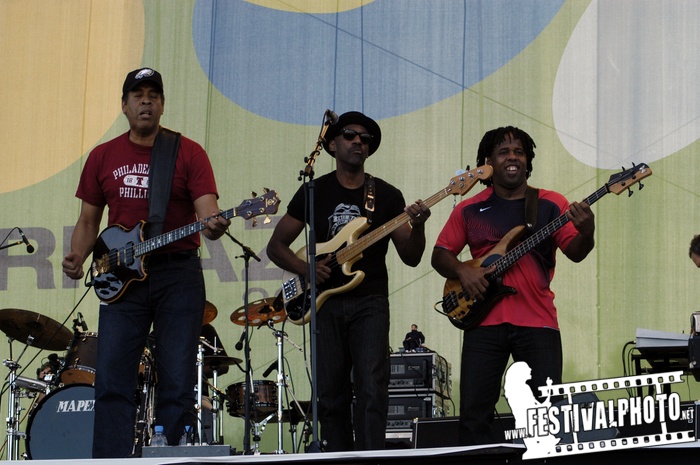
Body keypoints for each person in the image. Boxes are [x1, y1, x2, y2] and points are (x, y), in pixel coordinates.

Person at [62, 67, 230, 457]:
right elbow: (89, 221)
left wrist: (216, 225)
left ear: (162, 105)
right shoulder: (103, 156)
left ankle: (171, 454)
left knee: (178, 376)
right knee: (112, 380)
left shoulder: (188, 152)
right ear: (124, 105)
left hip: (177, 272)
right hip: (121, 277)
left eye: (154, 95)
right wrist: (77, 255)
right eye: (138, 95)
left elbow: (208, 212)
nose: (146, 101)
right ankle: (110, 459)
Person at [266, 111, 430, 451]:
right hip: (325, 302)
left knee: (372, 387)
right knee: (330, 392)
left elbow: (411, 256)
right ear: (332, 144)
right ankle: (336, 458)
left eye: (365, 139)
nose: (358, 142)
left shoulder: (386, 195)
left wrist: (420, 226)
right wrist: (307, 269)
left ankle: (372, 459)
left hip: (370, 300)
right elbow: (275, 247)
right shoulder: (314, 191)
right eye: (350, 135)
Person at [430, 126, 595, 446]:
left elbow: (576, 253)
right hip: (483, 322)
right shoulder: (470, 208)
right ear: (488, 161)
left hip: (539, 321)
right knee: (474, 415)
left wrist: (587, 231)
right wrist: (464, 271)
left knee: (547, 414)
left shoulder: (550, 204)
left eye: (519, 152)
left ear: (528, 161)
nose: (513, 157)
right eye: (504, 152)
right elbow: (440, 255)